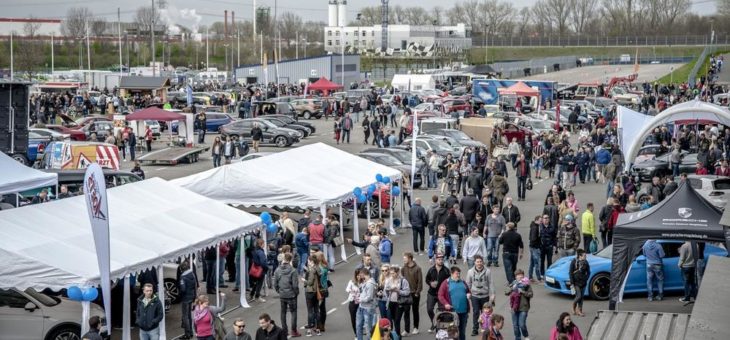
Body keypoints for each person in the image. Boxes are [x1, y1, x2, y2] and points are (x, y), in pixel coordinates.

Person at [438, 266, 471, 340]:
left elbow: (468, 291)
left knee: (462, 331)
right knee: (454, 332)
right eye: (457, 274)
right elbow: (440, 295)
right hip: (452, 313)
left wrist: (469, 294)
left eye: (459, 273)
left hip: (464, 311)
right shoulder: (446, 283)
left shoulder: (463, 281)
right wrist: (445, 303)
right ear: (451, 274)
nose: (458, 275)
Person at [466, 255, 495, 336]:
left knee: (486, 313)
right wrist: (468, 293)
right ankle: (475, 329)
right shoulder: (470, 272)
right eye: (477, 262)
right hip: (474, 296)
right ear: (474, 262)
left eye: (480, 262)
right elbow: (468, 283)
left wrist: (492, 294)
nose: (479, 263)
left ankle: (485, 329)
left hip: (485, 295)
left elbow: (491, 283)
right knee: (475, 312)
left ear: (483, 262)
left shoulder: (488, 271)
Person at [273, 253, 301, 337]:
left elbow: (275, 283)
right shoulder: (293, 270)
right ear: (290, 260)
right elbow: (295, 285)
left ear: (284, 259)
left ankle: (284, 331)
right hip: (291, 294)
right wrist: (296, 292)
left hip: (282, 294)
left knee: (283, 312)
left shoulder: (277, 270)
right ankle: (294, 330)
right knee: (293, 312)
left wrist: (279, 291)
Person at [504, 269, 532, 340]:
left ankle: (526, 335)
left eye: (521, 275)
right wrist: (512, 289)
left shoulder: (526, 284)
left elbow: (530, 294)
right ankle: (518, 338)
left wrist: (523, 292)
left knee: (522, 325)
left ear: (523, 275)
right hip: (514, 308)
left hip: (523, 307)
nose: (520, 276)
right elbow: (506, 292)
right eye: (518, 275)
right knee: (515, 325)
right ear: (515, 276)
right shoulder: (513, 283)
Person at [425, 254, 450, 333]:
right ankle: (434, 322)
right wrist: (430, 283)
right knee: (429, 309)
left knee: (441, 311)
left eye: (442, 259)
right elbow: (427, 279)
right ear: (435, 260)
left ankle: (440, 327)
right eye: (439, 259)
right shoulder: (431, 269)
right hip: (432, 293)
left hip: (441, 294)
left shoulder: (446, 270)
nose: (441, 261)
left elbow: (449, 281)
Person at [384, 265, 410, 337]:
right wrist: (388, 290)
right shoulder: (389, 280)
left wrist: (398, 291)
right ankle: (394, 335)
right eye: (391, 273)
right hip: (390, 302)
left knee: (397, 320)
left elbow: (407, 292)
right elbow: (385, 290)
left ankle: (398, 336)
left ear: (397, 273)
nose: (392, 275)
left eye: (393, 273)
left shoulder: (403, 280)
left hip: (399, 303)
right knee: (392, 319)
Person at [401, 252, 423, 336]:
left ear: (410, 258)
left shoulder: (418, 268)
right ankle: (406, 330)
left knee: (415, 310)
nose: (404, 260)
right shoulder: (403, 268)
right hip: (406, 293)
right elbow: (401, 280)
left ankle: (415, 327)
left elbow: (420, 282)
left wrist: (417, 292)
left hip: (415, 293)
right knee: (406, 311)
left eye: (405, 258)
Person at [356, 268, 378, 340]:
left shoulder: (370, 284)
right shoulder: (365, 282)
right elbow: (363, 292)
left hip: (368, 308)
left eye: (360, 275)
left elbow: (369, 297)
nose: (359, 276)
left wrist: (360, 299)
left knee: (368, 328)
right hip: (361, 307)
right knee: (359, 326)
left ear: (363, 274)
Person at [302, 256, 322, 336]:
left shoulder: (311, 270)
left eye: (308, 261)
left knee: (310, 311)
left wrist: (304, 280)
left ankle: (309, 330)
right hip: (316, 291)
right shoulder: (318, 269)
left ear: (311, 262)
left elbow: (309, 282)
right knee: (317, 310)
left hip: (310, 292)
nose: (308, 262)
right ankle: (317, 329)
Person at [179, 261, 197, 339]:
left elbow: (183, 289)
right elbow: (195, 285)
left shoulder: (182, 277)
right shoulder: (192, 274)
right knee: (189, 315)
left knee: (185, 316)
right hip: (191, 296)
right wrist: (194, 296)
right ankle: (191, 332)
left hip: (185, 298)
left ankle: (187, 334)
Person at [569, 249, 590, 317]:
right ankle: (573, 306)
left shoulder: (586, 262)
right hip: (576, 283)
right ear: (580, 256)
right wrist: (572, 282)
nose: (585, 256)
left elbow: (588, 271)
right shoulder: (574, 262)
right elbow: (570, 272)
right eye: (584, 255)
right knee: (579, 296)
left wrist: (586, 278)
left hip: (583, 282)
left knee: (581, 298)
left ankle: (580, 311)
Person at [346, 269, 361, 337]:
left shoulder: (363, 282)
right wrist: (352, 291)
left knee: (360, 318)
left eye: (360, 275)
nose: (359, 277)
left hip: (360, 303)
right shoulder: (351, 282)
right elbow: (347, 289)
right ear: (355, 275)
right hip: (352, 302)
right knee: (353, 318)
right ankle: (356, 334)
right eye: (357, 275)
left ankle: (359, 331)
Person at [527, 216, 542, 282]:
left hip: (532, 247)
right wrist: (539, 239)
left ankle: (530, 276)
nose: (541, 222)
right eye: (540, 221)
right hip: (535, 247)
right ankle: (538, 278)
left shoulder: (534, 226)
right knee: (536, 263)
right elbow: (533, 238)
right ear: (536, 220)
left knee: (532, 263)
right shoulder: (535, 228)